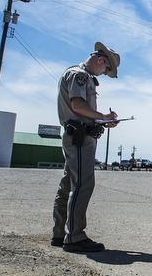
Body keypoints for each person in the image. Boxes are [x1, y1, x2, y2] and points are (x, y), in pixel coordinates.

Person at [52, 42, 121, 252]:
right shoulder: (80, 75)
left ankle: (59, 234)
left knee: (68, 186)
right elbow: (77, 105)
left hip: (79, 136)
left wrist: (100, 121)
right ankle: (75, 236)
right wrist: (102, 116)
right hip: (79, 139)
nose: (104, 73)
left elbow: (81, 110)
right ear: (101, 60)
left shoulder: (78, 74)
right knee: (82, 185)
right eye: (106, 70)